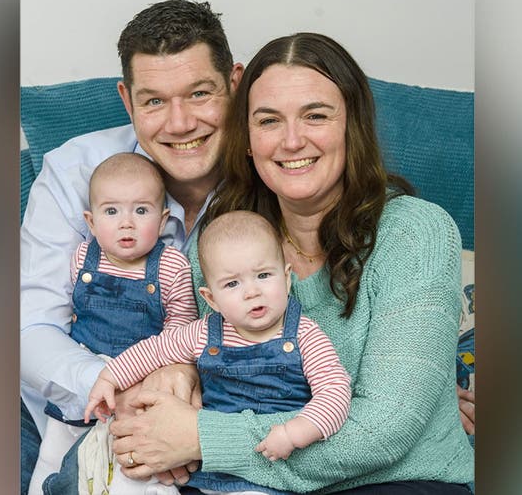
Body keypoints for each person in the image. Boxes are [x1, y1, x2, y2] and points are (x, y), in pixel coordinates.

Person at [101, 33, 474, 494]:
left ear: (351, 126)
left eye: (315, 115)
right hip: (249, 481)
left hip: (398, 481)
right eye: (269, 121)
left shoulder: (416, 233)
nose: (292, 141)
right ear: (249, 139)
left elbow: (383, 432)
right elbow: (199, 358)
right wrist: (176, 382)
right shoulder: (229, 237)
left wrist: (199, 438)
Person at [20, 0, 243, 494]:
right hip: (71, 410)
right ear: (127, 99)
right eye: (154, 101)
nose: (180, 123)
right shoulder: (75, 171)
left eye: (199, 93)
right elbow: (31, 325)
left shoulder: (275, 166)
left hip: (204, 418)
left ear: (235, 84)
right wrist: (120, 386)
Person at [85, 211, 351, 495]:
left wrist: (295, 432)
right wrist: (109, 378)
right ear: (211, 299)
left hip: (265, 474)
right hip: (200, 466)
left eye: (263, 275)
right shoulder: (204, 333)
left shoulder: (305, 335)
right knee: (130, 480)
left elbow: (335, 393)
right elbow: (154, 350)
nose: (252, 292)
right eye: (232, 284)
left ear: (286, 279)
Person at [30, 152, 200, 494]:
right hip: (84, 385)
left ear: (163, 218)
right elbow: (61, 317)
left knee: (134, 471)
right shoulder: (83, 257)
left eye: (141, 210)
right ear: (91, 223)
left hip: (141, 380)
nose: (127, 223)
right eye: (112, 211)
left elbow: (180, 331)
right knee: (54, 455)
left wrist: (155, 382)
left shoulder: (171, 267)